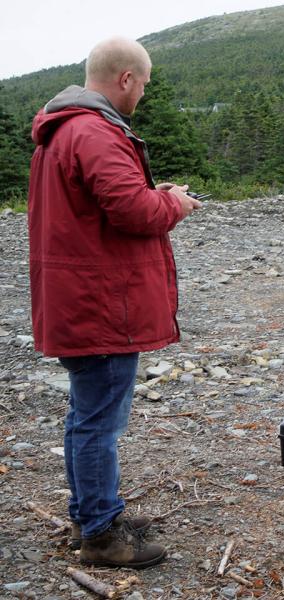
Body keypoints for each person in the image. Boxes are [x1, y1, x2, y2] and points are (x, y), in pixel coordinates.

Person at [27, 37, 200, 569]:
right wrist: (172, 202)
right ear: (126, 78)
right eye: (143, 84)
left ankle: (92, 511)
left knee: (88, 415)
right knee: (100, 421)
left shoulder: (68, 128)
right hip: (100, 303)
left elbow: (105, 205)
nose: (143, 94)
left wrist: (156, 193)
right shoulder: (94, 130)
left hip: (80, 296)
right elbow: (131, 211)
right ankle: (101, 534)